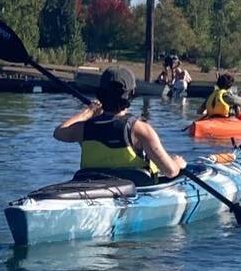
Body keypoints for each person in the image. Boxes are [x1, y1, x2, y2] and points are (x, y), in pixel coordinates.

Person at [53, 65, 185, 183]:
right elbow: (170, 171)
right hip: (137, 194)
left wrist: (89, 112)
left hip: (96, 191)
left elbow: (59, 132)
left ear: (101, 94)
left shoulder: (84, 128)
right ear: (131, 94)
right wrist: (177, 164)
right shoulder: (140, 130)